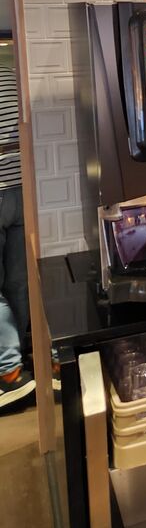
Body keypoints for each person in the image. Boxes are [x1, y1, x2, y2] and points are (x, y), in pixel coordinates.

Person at [0, 62, 32, 410]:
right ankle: (21, 361)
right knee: (19, 284)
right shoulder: (12, 74)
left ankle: (9, 372)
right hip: (23, 189)